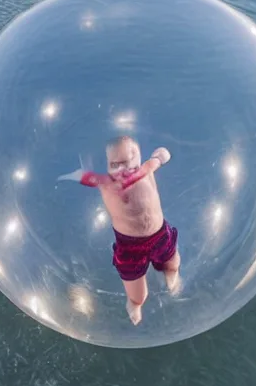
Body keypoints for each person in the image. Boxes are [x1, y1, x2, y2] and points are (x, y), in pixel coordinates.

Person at [58, 136, 181, 325]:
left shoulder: (146, 170)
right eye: (116, 165)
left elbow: (158, 158)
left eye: (131, 164)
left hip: (160, 234)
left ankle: (171, 273)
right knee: (140, 295)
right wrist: (70, 176)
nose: (125, 171)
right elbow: (85, 176)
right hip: (131, 247)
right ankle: (134, 304)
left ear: (139, 159)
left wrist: (161, 155)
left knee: (172, 262)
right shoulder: (106, 183)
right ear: (106, 166)